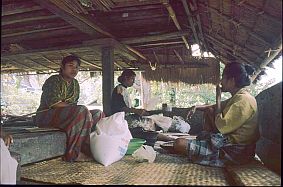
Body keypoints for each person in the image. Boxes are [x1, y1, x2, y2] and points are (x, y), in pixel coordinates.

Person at [172, 62, 260, 167]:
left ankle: (213, 155)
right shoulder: (239, 96)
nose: (221, 81)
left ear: (232, 81)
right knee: (209, 111)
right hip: (227, 144)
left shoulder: (244, 100)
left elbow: (221, 126)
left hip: (234, 152)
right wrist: (196, 107)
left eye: (223, 77)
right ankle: (204, 148)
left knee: (179, 143)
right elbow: (214, 107)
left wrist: (218, 97)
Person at [35, 55, 105, 162]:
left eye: (77, 67)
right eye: (71, 66)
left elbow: (74, 106)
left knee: (98, 113)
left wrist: (83, 112)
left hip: (65, 115)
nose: (74, 69)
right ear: (62, 67)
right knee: (82, 110)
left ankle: (90, 149)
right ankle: (73, 153)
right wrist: (80, 110)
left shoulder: (75, 84)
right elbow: (54, 104)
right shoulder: (54, 80)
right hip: (46, 115)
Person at [111, 69, 174, 144]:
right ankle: (159, 137)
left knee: (148, 121)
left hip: (125, 118)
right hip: (120, 119)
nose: (133, 81)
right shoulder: (119, 89)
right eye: (132, 79)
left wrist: (137, 111)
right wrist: (136, 111)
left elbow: (125, 107)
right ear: (126, 78)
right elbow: (120, 107)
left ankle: (159, 136)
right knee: (143, 127)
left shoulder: (124, 89)